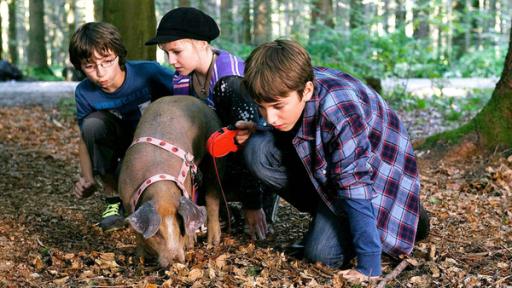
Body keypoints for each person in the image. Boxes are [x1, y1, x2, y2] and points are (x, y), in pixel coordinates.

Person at [234, 39, 429, 281]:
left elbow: (355, 184)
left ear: (306, 90)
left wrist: (369, 266)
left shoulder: (339, 110)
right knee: (257, 149)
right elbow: (289, 127)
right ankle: (327, 213)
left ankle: (409, 219)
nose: (270, 117)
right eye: (262, 108)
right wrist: (259, 128)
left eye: (277, 107)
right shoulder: (287, 84)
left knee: (321, 255)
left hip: (376, 180)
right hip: (331, 173)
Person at [144, 7, 278, 239]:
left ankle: (260, 202)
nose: (171, 60)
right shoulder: (183, 77)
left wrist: (253, 204)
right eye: (166, 53)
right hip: (213, 158)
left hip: (252, 164)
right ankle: (220, 210)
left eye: (176, 51)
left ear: (202, 43)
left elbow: (250, 144)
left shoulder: (232, 82)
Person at [68, 22, 174, 232]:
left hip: (159, 144)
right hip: (120, 152)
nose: (100, 72)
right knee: (93, 124)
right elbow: (86, 135)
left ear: (119, 55)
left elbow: (185, 99)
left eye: (107, 61)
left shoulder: (148, 72)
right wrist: (88, 178)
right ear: (79, 66)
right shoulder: (84, 92)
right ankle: (113, 200)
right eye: (90, 66)